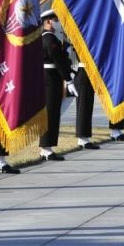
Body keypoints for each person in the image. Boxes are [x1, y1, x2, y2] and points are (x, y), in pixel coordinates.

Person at [39, 11, 74, 162]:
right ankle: (46, 149)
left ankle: (47, 148)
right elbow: (57, 60)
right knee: (51, 113)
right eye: (55, 19)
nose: (58, 22)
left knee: (54, 112)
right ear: (48, 22)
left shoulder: (50, 37)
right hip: (50, 78)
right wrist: (68, 79)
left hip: (52, 77)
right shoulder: (49, 38)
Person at [71, 42, 101, 151]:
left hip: (87, 74)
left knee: (87, 108)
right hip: (83, 75)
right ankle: (82, 139)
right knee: (83, 109)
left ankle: (85, 138)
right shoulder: (81, 41)